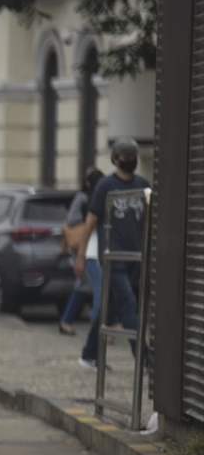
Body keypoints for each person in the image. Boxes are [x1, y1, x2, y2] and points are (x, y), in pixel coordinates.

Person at [75, 139, 151, 370]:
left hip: (137, 257)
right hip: (114, 256)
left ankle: (89, 354)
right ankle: (145, 358)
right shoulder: (105, 186)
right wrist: (80, 255)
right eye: (126, 158)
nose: (131, 161)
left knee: (110, 307)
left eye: (133, 157)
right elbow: (90, 223)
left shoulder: (143, 184)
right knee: (128, 304)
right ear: (116, 160)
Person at [58, 167, 104, 335]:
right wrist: (89, 220)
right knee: (96, 286)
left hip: (92, 249)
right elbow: (72, 219)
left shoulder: (100, 198)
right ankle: (98, 321)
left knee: (83, 286)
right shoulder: (82, 198)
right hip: (82, 249)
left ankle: (66, 320)